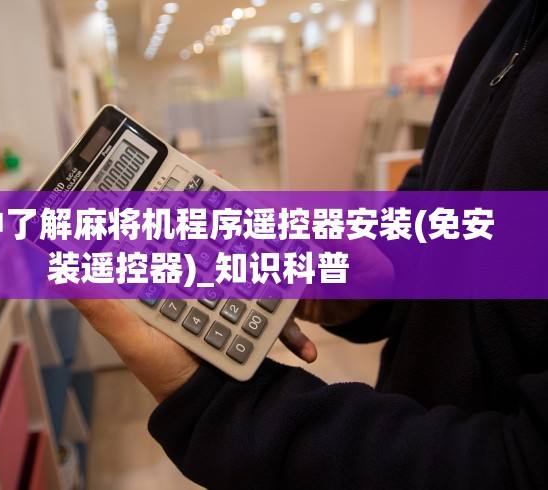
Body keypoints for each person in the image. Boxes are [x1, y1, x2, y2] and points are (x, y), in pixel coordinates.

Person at [71, 0, 548, 487]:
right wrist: (387, 275)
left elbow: (525, 466)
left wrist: (221, 410)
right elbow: (441, 184)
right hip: (412, 398)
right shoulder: (511, 17)